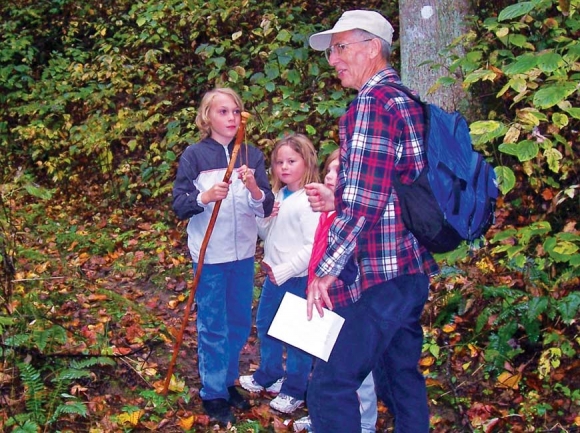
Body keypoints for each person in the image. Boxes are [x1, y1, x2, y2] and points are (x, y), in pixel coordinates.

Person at [304, 9, 440, 433]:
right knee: (400, 379)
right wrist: (336, 195)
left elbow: (364, 201)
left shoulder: (372, 104)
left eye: (341, 47)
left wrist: (326, 271)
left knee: (329, 385)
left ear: (372, 48)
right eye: (332, 51)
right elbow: (389, 185)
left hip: (380, 277)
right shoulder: (405, 99)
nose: (333, 60)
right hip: (411, 270)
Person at [172, 87, 275, 425]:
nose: (231, 118)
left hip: (243, 253)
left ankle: (229, 381)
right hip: (210, 255)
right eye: (223, 112)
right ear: (207, 117)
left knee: (238, 322)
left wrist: (254, 188)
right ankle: (213, 392)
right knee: (213, 324)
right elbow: (180, 204)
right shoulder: (194, 156)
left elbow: (266, 206)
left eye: (235, 112)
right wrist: (204, 196)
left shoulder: (251, 155)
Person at [293, 149, 378, 433]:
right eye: (328, 170)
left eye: (338, 172)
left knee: (355, 370)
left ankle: (364, 423)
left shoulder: (354, 217)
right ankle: (323, 417)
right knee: (324, 361)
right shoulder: (325, 213)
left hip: (349, 303)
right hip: (324, 299)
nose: (330, 177)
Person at [239, 133, 320, 414]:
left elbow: (313, 247)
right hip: (274, 275)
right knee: (266, 325)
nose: (284, 167)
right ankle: (270, 373)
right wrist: (265, 214)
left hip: (297, 278)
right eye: (278, 162)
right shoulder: (279, 195)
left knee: (298, 336)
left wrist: (285, 270)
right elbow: (267, 233)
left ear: (307, 161)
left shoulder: (311, 199)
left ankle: (295, 389)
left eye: (291, 161)